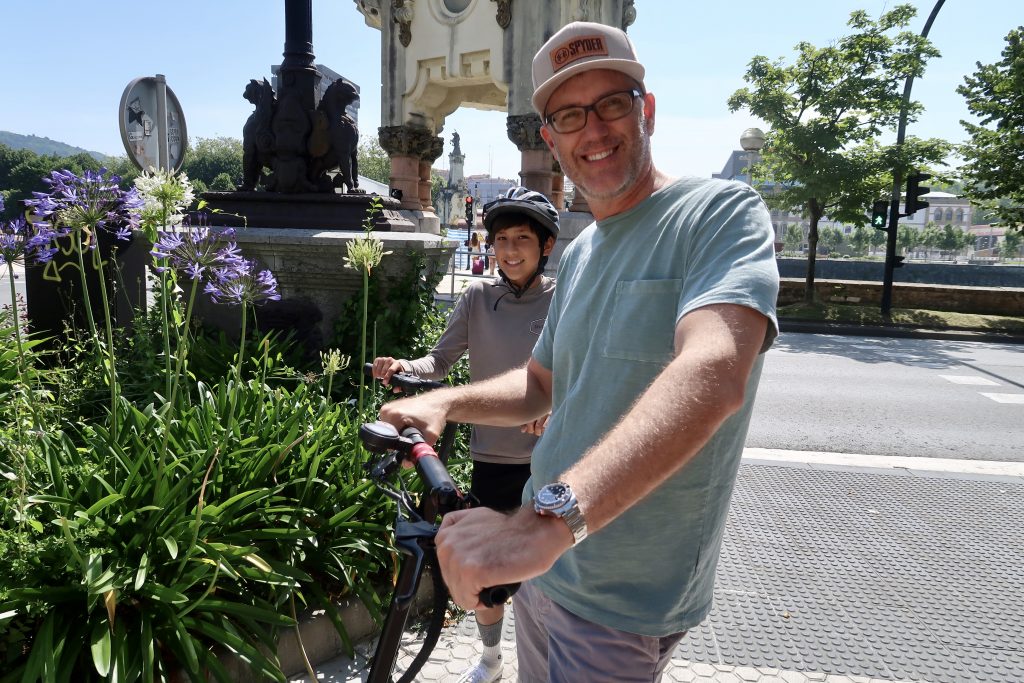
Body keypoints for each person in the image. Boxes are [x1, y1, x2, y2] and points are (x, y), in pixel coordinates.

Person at [379, 21, 780, 682]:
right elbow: (540, 386)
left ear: (645, 109)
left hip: (617, 602)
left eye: (611, 104)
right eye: (569, 115)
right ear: (550, 137)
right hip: (541, 571)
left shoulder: (718, 214)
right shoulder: (586, 247)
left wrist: (543, 527)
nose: (593, 130)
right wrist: (443, 401)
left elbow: (713, 372)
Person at [372, 187, 559, 683]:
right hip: (492, 458)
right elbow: (440, 360)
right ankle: (493, 659)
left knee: (549, 577)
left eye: (523, 238)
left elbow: (581, 374)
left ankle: (544, 666)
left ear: (546, 247)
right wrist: (403, 367)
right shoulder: (477, 297)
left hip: (551, 458)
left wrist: (556, 407)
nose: (511, 249)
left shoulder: (565, 299)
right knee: (489, 580)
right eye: (501, 239)